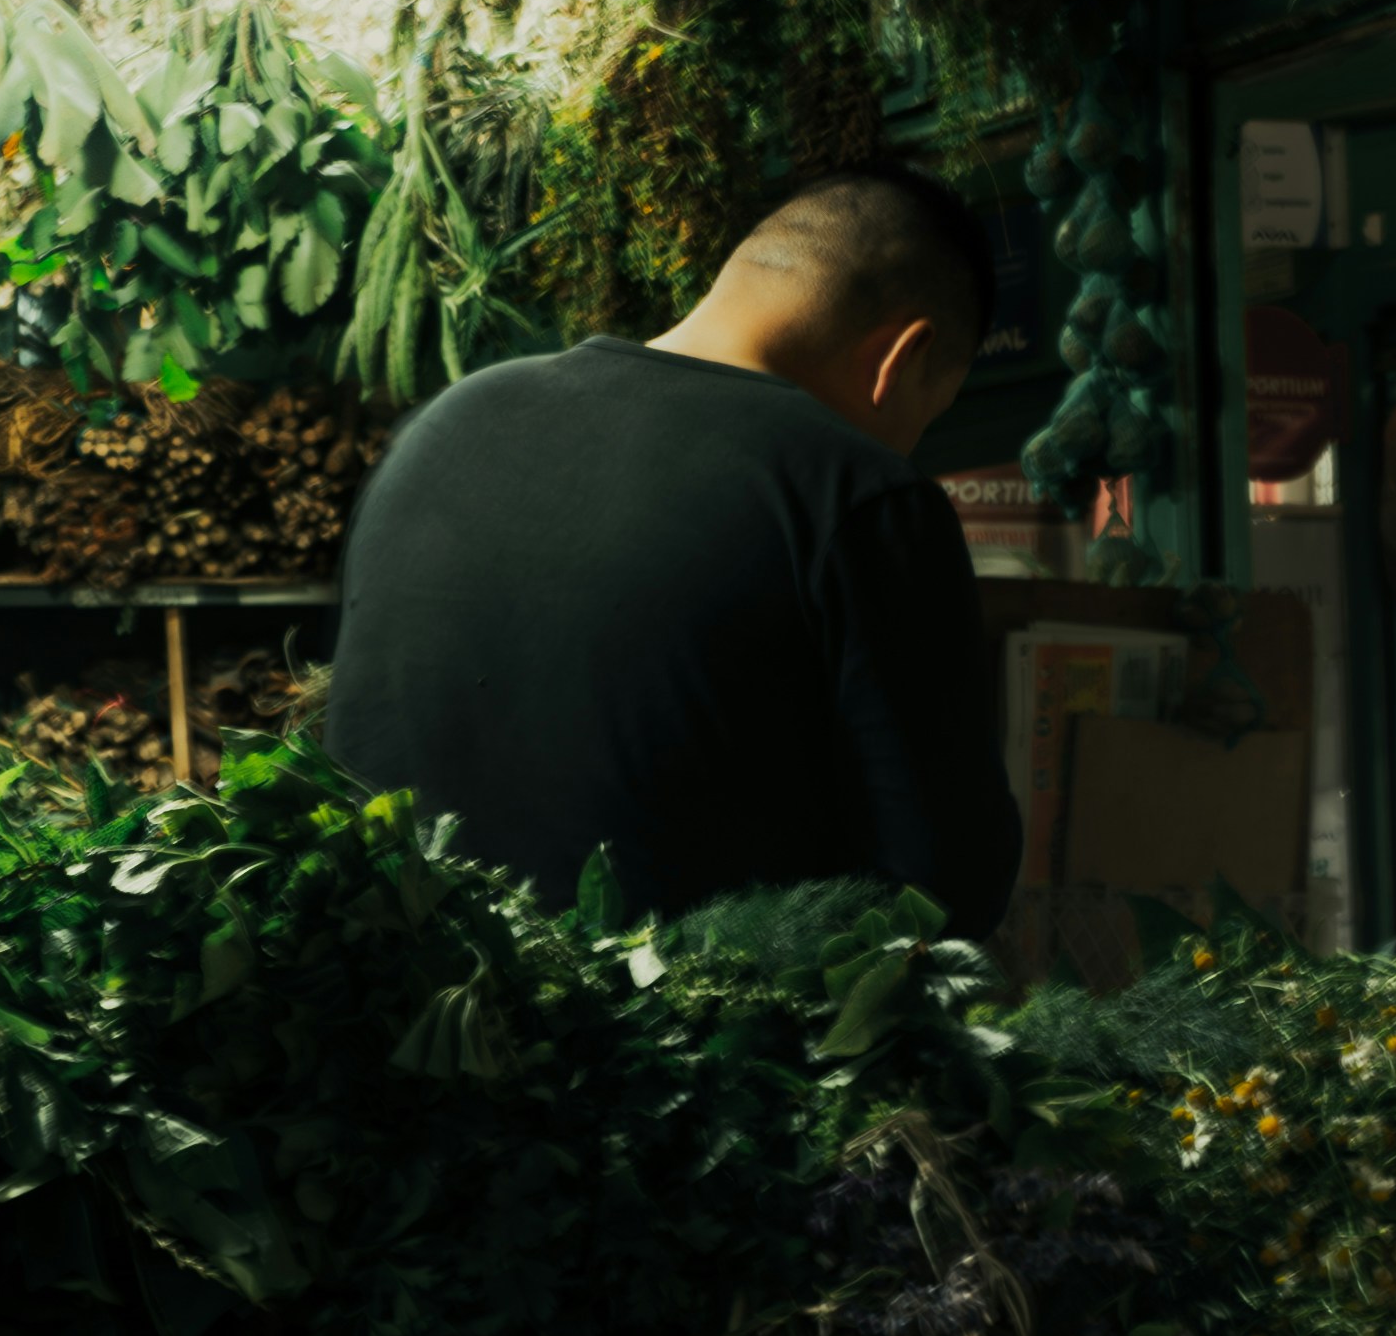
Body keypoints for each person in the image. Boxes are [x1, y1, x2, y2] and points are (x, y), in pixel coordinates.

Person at [317, 163, 1019, 940]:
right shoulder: (854, 492)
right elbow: (943, 888)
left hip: (390, 1010)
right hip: (686, 1046)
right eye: (932, 412)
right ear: (902, 361)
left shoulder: (441, 428)